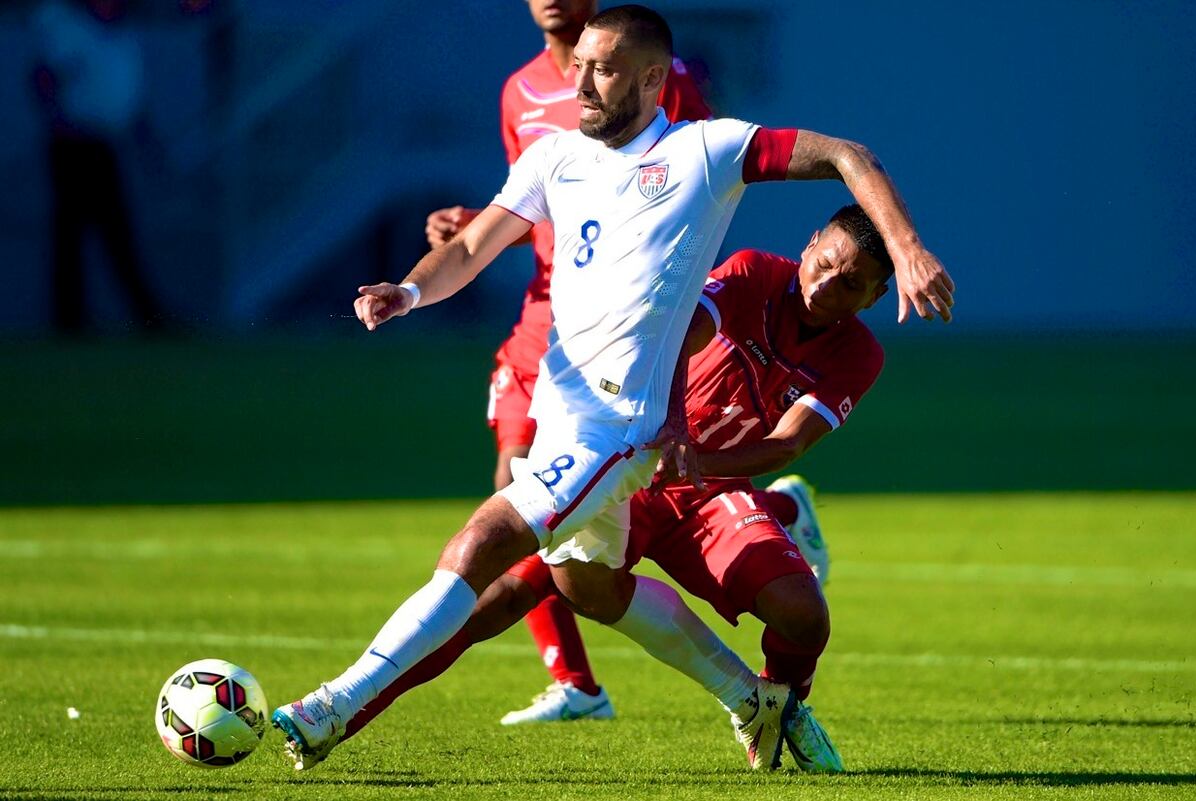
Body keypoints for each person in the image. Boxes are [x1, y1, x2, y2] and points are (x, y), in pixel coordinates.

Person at [273, 4, 953, 772]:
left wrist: (908, 247)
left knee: (482, 548)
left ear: (655, 78)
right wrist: (408, 289)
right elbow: (470, 244)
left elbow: (846, 154)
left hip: (616, 429)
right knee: (588, 587)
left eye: (603, 68)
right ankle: (748, 695)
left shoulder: (708, 151)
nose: (581, 80)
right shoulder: (555, 156)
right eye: (580, 64)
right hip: (559, 415)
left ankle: (332, 707)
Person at [333, 202, 892, 772]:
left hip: (705, 486)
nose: (826, 286)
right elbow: (676, 339)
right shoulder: (755, 274)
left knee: (805, 615)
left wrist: (695, 461)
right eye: (824, 263)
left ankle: (777, 709)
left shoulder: (859, 354)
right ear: (811, 241)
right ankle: (339, 714)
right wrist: (669, 434)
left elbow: (786, 444)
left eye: (850, 284)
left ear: (873, 298)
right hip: (619, 463)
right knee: (493, 598)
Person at [426, 0, 712, 725]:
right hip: (541, 317)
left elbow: (683, 189)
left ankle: (770, 515)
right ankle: (578, 683)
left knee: (556, 507)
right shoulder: (518, 91)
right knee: (515, 483)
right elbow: (546, 208)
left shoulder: (657, 76)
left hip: (618, 322)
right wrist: (477, 230)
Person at [31, 0, 164, 333]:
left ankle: (146, 315)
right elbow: (45, 76)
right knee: (72, 234)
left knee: (116, 234)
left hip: (104, 144)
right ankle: (70, 320)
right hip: (73, 144)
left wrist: (149, 147)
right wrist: (56, 118)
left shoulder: (123, 38)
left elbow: (129, 98)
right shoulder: (69, 29)